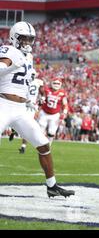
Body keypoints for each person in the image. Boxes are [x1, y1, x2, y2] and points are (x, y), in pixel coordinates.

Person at [0, 21, 74, 198]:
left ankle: (52, 186)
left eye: (30, 39)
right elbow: (3, 65)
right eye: (24, 38)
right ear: (14, 38)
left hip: (20, 109)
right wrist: (8, 66)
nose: (27, 42)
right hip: (3, 104)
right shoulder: (9, 50)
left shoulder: (29, 57)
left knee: (43, 144)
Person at [37, 77, 68, 145]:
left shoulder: (62, 94)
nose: (56, 84)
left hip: (55, 115)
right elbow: (43, 98)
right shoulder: (47, 90)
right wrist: (41, 100)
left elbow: (65, 104)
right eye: (55, 83)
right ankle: (41, 145)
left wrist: (64, 113)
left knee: (51, 132)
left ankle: (48, 145)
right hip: (44, 113)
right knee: (40, 131)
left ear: (60, 84)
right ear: (52, 83)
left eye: (58, 83)